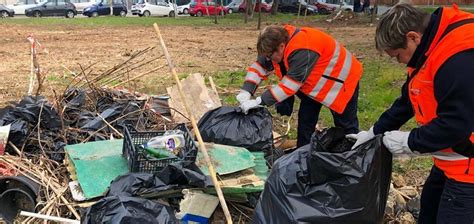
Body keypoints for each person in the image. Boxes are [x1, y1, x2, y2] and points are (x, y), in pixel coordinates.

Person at [350, 3, 474, 223]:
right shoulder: (429, 49)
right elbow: (408, 100)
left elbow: (456, 124)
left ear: (413, 37)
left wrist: (410, 141)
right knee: (429, 210)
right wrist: (374, 132)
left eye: (398, 55)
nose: (399, 62)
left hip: (468, 165)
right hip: (451, 159)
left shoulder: (458, 58)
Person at [236, 25, 363, 148]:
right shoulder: (274, 44)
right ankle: (303, 156)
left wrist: (259, 101)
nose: (269, 59)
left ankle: (353, 156)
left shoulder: (302, 50)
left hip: (342, 80)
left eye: (270, 56)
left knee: (346, 126)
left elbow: (290, 85)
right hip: (313, 82)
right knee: (305, 123)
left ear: (281, 47)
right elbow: (259, 67)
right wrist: (246, 92)